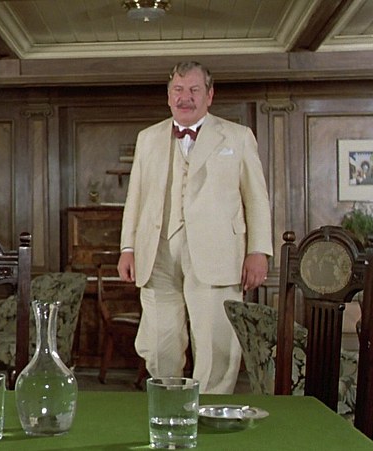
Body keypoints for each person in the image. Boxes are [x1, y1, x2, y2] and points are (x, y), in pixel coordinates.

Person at [117, 61, 272, 394]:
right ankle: (169, 407)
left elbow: (257, 199)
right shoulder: (148, 138)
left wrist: (258, 251)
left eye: (193, 90)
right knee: (159, 344)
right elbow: (136, 198)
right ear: (168, 95)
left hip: (218, 253)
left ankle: (209, 412)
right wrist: (127, 248)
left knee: (217, 346)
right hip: (156, 252)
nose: (184, 97)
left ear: (209, 95)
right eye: (178, 89)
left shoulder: (238, 137)